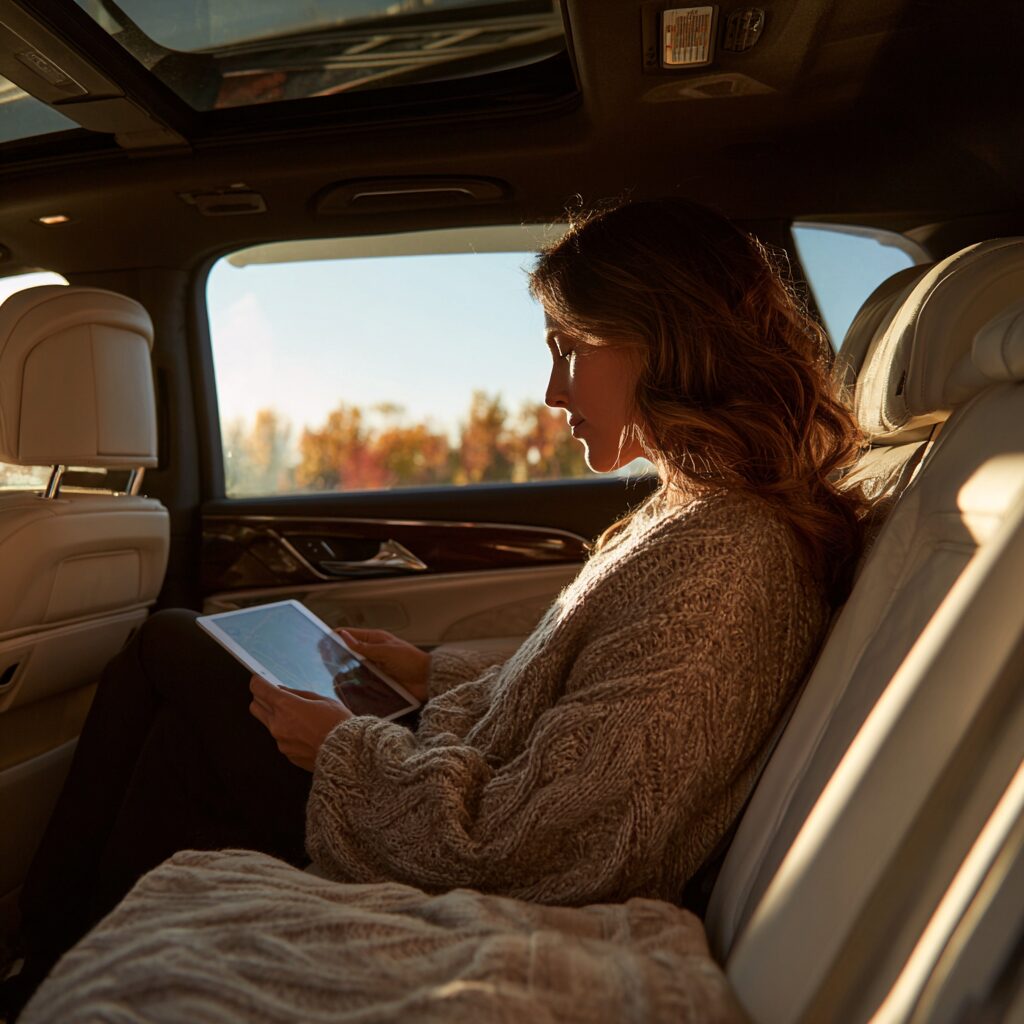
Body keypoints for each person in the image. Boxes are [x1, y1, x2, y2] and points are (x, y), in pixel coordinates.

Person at [3, 197, 866, 1018]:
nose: (552, 392)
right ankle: (60, 954)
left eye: (569, 349)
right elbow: (601, 700)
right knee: (184, 687)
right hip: (453, 777)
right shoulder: (696, 515)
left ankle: (47, 960)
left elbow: (561, 840)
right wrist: (430, 671)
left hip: (457, 840)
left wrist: (342, 747)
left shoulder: (725, 562)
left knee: (176, 648)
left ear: (665, 342)